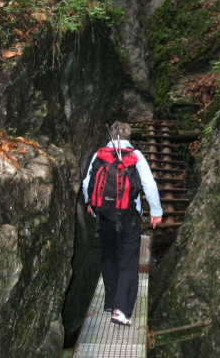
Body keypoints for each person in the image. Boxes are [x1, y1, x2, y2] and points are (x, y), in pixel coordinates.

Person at [82, 121, 163, 326]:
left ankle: (110, 302)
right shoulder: (135, 155)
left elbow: (86, 183)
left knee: (109, 257)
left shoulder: (100, 154)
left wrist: (89, 203)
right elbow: (149, 184)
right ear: (128, 136)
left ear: (111, 137)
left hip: (104, 215)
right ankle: (121, 310)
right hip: (128, 216)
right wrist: (156, 211)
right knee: (128, 260)